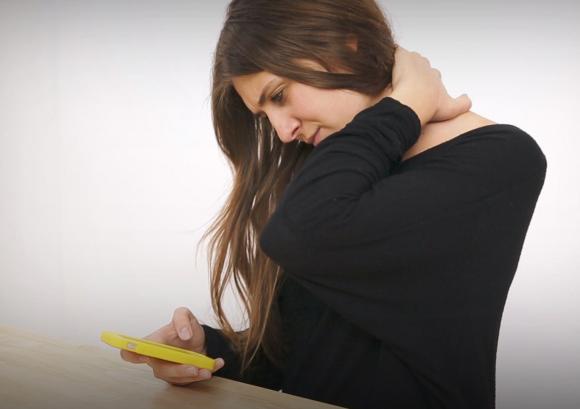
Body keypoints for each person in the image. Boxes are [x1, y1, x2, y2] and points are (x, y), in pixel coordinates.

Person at [120, 1, 547, 408]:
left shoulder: (500, 160)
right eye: (264, 115)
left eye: (279, 95)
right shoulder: (336, 170)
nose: (282, 131)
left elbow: (303, 232)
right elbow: (300, 353)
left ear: (346, 46)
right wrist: (207, 352)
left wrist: (409, 101)